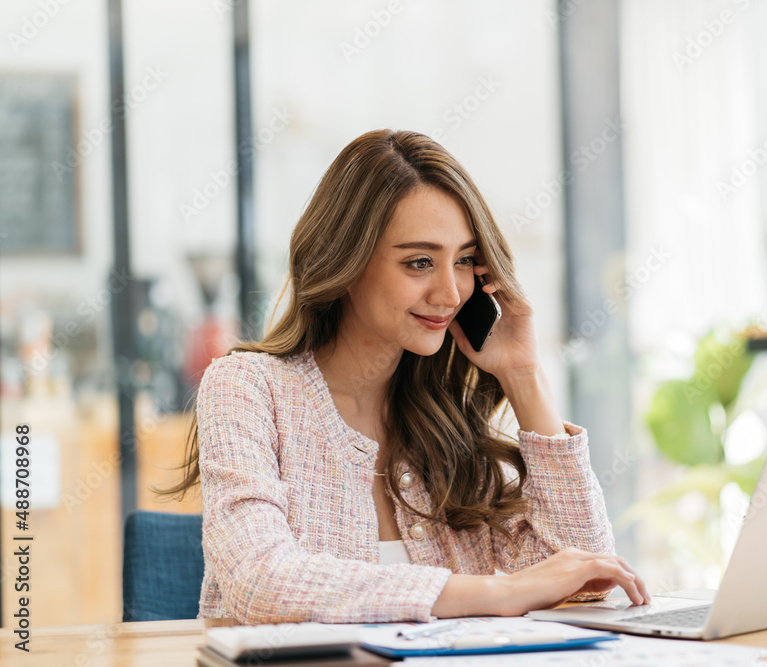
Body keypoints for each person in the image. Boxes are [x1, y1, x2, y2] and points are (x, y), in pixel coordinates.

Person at [167, 129, 649, 624]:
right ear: (346, 261)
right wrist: (500, 593)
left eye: (463, 261)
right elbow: (260, 582)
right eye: (419, 262)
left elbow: (587, 578)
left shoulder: (444, 421)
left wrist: (523, 375)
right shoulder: (247, 387)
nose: (450, 291)